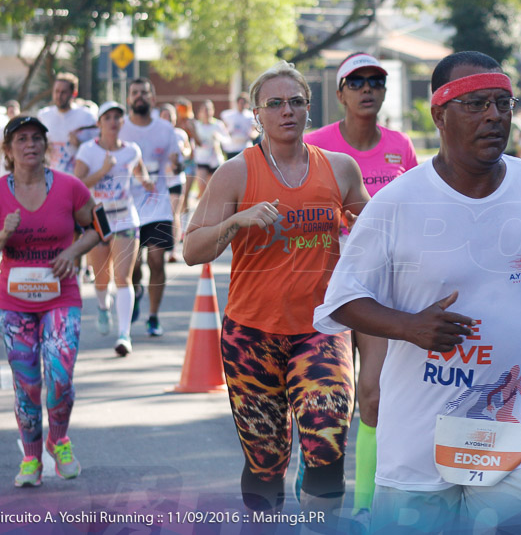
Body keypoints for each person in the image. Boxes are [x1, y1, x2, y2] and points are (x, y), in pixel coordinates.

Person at [314, 51, 521, 532]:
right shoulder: (397, 204)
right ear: (439, 115)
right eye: (477, 104)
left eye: (503, 104)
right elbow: (341, 299)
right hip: (418, 432)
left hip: (518, 424)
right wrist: (408, 326)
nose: (494, 116)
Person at [183, 60, 368, 516]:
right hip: (251, 335)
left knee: (326, 440)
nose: (287, 111)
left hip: (320, 329)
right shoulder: (235, 173)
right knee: (266, 462)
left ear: (309, 109)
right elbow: (191, 250)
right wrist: (235, 221)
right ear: (256, 114)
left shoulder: (340, 169)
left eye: (297, 102)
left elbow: (375, 227)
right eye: (275, 104)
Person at [304, 51, 418, 516]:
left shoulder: (399, 146)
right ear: (340, 93)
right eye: (357, 81)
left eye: (376, 81)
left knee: (371, 393)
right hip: (320, 286)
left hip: (376, 290)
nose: (368, 88)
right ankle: (317, 475)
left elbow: (416, 213)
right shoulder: (314, 144)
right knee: (326, 403)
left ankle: (366, 509)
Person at [0, 115, 101, 487]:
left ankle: (58, 439)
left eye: (36, 138)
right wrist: (2, 235)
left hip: (62, 296)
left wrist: (73, 251)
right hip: (12, 304)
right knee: (27, 383)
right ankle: (31, 458)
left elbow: (100, 226)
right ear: (8, 150)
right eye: (21, 140)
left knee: (60, 375)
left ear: (47, 145)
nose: (30, 145)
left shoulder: (70, 187)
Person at [74, 102, 153, 356]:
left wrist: (148, 182)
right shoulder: (88, 150)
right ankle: (102, 306)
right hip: (98, 217)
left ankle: (124, 335)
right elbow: (78, 184)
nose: (113, 121)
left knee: (122, 277)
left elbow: (140, 172)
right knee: (101, 278)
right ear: (99, 123)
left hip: (125, 217)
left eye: (117, 117)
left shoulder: (131, 150)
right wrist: (103, 171)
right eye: (107, 117)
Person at [120, 78, 181, 337]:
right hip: (127, 205)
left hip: (157, 205)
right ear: (128, 99)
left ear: (152, 98)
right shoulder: (120, 128)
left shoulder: (165, 129)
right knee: (133, 267)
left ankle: (153, 316)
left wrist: (175, 165)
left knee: (157, 260)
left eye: (144, 92)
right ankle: (135, 292)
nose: (139, 97)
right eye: (135, 93)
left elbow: (175, 160)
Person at [36, 73, 98, 175]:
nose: (59, 96)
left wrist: (79, 145)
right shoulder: (44, 115)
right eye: (56, 91)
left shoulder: (87, 117)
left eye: (63, 92)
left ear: (74, 93)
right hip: (49, 179)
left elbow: (99, 149)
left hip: (76, 179)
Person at [159, 103, 191, 262]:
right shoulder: (155, 134)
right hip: (160, 181)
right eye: (164, 116)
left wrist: (182, 152)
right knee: (161, 214)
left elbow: (188, 150)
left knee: (174, 214)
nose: (168, 119)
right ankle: (159, 246)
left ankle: (172, 250)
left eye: (170, 116)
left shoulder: (180, 134)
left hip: (177, 178)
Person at [192, 100, 230, 199]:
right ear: (200, 112)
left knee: (211, 189)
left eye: (208, 109)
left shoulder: (217, 124)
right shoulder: (197, 125)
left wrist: (219, 138)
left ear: (212, 111)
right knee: (201, 185)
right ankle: (201, 204)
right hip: (201, 159)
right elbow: (194, 142)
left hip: (215, 159)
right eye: (204, 110)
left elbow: (227, 139)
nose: (206, 112)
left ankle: (209, 207)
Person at [220, 92, 257, 160]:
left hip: (245, 147)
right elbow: (223, 126)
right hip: (232, 147)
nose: (242, 105)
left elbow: (255, 130)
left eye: (244, 103)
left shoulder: (250, 116)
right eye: (240, 103)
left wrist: (252, 135)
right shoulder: (228, 115)